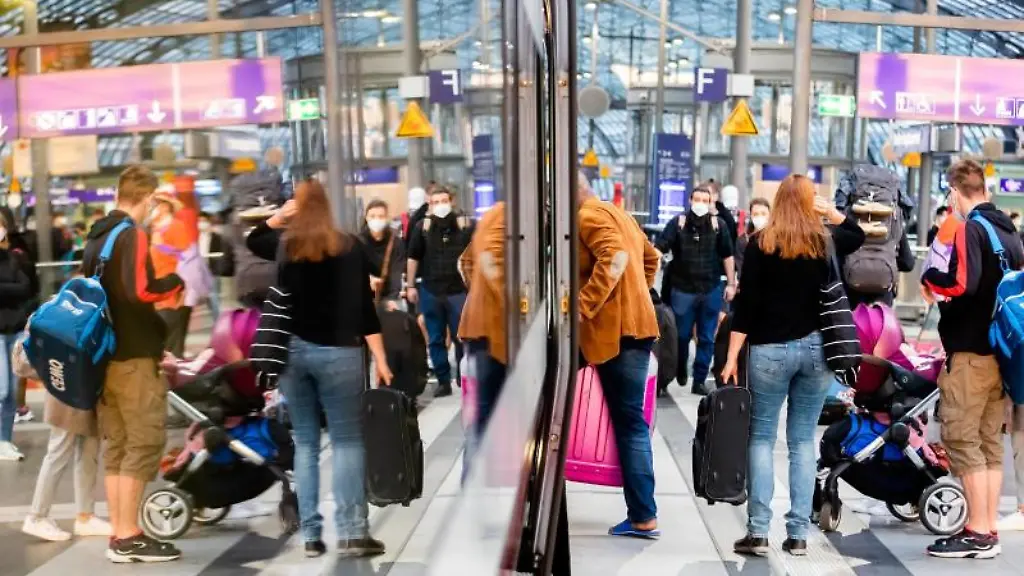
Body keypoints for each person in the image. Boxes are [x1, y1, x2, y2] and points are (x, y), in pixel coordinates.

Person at [247, 179, 393, 559]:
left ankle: (311, 535)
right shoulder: (350, 246)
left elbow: (254, 239)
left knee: (307, 443)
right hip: (339, 352)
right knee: (347, 440)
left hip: (292, 353)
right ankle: (352, 533)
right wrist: (380, 356)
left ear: (297, 208)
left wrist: (279, 216)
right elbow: (365, 308)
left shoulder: (285, 246)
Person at [723, 174, 865, 557]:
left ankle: (757, 533)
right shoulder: (824, 242)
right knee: (803, 441)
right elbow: (857, 234)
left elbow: (746, 306)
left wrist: (732, 355)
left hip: (770, 350)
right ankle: (799, 534)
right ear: (808, 203)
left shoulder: (760, 243)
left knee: (762, 438)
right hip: (818, 352)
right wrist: (831, 211)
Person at [921, 159, 1024, 559]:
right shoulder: (1008, 231)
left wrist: (933, 279)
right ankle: (988, 529)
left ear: (955, 192)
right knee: (988, 442)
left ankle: (976, 530)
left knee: (961, 438)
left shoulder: (970, 228)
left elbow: (964, 283)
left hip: (970, 353)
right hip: (1002, 352)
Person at [80, 165, 184, 563]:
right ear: (149, 197)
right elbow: (140, 289)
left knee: (119, 447)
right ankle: (128, 534)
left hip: (104, 358)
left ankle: (122, 534)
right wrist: (174, 282)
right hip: (135, 358)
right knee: (143, 443)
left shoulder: (98, 236)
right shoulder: (133, 235)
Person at [577, 173, 662, 539]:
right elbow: (650, 259)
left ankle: (643, 515)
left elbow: (614, 257)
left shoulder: (586, 216)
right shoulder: (621, 214)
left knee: (628, 425)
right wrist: (636, 294)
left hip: (613, 334)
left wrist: (583, 305)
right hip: (639, 328)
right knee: (632, 423)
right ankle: (643, 514)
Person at [655, 184, 736, 395]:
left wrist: (731, 283)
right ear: (690, 201)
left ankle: (698, 380)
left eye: (705, 200)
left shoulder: (719, 226)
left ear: (711, 204)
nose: (700, 204)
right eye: (696, 199)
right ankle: (680, 367)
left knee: (707, 337)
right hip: (683, 289)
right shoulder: (678, 224)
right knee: (680, 335)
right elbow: (660, 247)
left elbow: (728, 255)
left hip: (710, 289)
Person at [22, 383, 112, 541]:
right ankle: (36, 516)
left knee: (88, 450)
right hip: (66, 387)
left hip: (87, 389)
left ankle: (85, 515)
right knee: (59, 451)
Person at [406, 186, 473, 398]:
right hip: (431, 290)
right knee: (435, 338)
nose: (440, 205)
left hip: (457, 291)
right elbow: (413, 257)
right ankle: (443, 381)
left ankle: (463, 378)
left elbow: (475, 256)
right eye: (435, 202)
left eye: (443, 200)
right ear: (429, 204)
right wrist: (409, 286)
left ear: (451, 201)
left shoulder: (464, 225)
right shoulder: (422, 228)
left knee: (462, 336)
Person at [457, 200, 506, 473]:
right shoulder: (506, 218)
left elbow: (465, 262)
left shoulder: (495, 215)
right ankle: (472, 496)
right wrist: (517, 307)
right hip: (494, 332)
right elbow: (489, 260)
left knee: (482, 417)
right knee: (483, 417)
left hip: (486, 329)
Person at [0, 221, 33, 461]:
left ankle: (5, 441)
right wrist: (11, 288)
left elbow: (25, 288)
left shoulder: (14, 259)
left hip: (15, 330)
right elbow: (17, 288)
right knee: (1, 390)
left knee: (12, 391)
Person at [148, 187, 192, 356]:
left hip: (173, 292)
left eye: (157, 203)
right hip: (157, 290)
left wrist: (162, 246)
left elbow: (185, 255)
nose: (153, 207)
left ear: (166, 206)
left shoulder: (176, 226)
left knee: (173, 343)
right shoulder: (154, 229)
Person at [358, 199, 406, 301]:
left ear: (386, 218)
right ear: (366, 218)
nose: (376, 220)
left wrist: (392, 299)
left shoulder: (395, 242)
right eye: (372, 216)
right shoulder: (358, 242)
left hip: (389, 297)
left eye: (381, 216)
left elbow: (396, 272)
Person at [199, 212, 232, 320]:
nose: (201, 224)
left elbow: (222, 254)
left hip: (212, 269)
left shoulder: (217, 237)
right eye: (199, 221)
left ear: (209, 222)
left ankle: (218, 320)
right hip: (198, 271)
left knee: (214, 295)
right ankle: (215, 316)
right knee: (208, 297)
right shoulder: (194, 238)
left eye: (203, 221)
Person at [734, 197, 771, 281]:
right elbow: (740, 267)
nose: (759, 217)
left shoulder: (776, 239)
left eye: (763, 214)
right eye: (755, 214)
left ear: (769, 215)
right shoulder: (742, 240)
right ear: (750, 216)